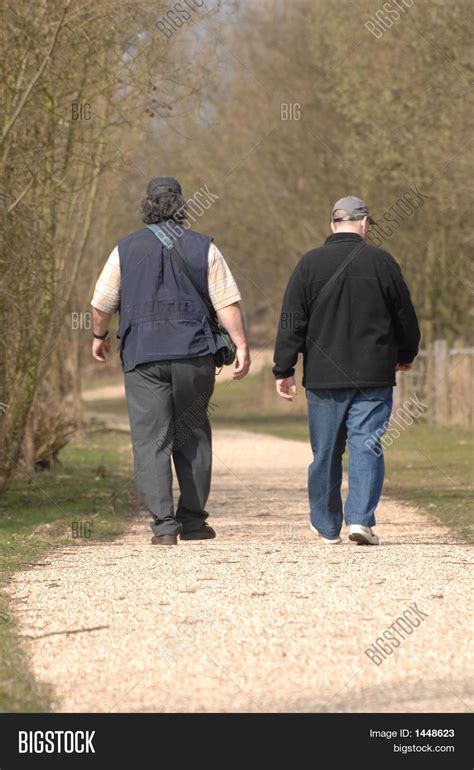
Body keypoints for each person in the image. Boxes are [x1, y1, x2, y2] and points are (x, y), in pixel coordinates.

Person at [91, 176, 251, 545]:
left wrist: (99, 337)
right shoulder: (205, 247)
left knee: (151, 441)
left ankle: (164, 527)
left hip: (143, 357)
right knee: (192, 436)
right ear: (182, 206)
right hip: (194, 355)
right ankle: (193, 522)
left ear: (147, 205)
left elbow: (101, 304)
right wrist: (241, 346)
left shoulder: (124, 250)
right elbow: (227, 302)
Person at [273, 196, 420, 546]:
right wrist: (406, 353)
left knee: (325, 452)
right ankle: (360, 520)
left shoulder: (309, 264)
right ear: (365, 224)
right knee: (366, 445)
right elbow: (404, 316)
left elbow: (292, 319)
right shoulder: (382, 262)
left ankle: (326, 526)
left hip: (324, 376)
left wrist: (284, 366)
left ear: (332, 224)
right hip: (374, 374)